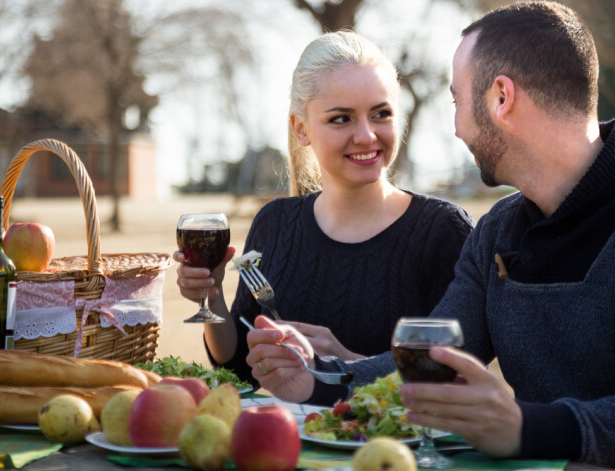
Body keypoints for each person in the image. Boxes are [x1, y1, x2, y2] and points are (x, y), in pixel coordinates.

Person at [245, 2, 615, 467]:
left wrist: (530, 427)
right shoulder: (497, 234)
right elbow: (431, 362)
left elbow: (520, 424)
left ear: (501, 98)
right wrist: (319, 378)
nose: (456, 128)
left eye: (457, 101)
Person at [174, 31, 474, 389]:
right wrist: (212, 295)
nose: (366, 135)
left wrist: (343, 361)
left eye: (381, 114)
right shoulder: (275, 224)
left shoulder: (442, 231)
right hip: (289, 441)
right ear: (302, 129)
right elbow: (237, 365)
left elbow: (455, 383)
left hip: (394, 444)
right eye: (341, 119)